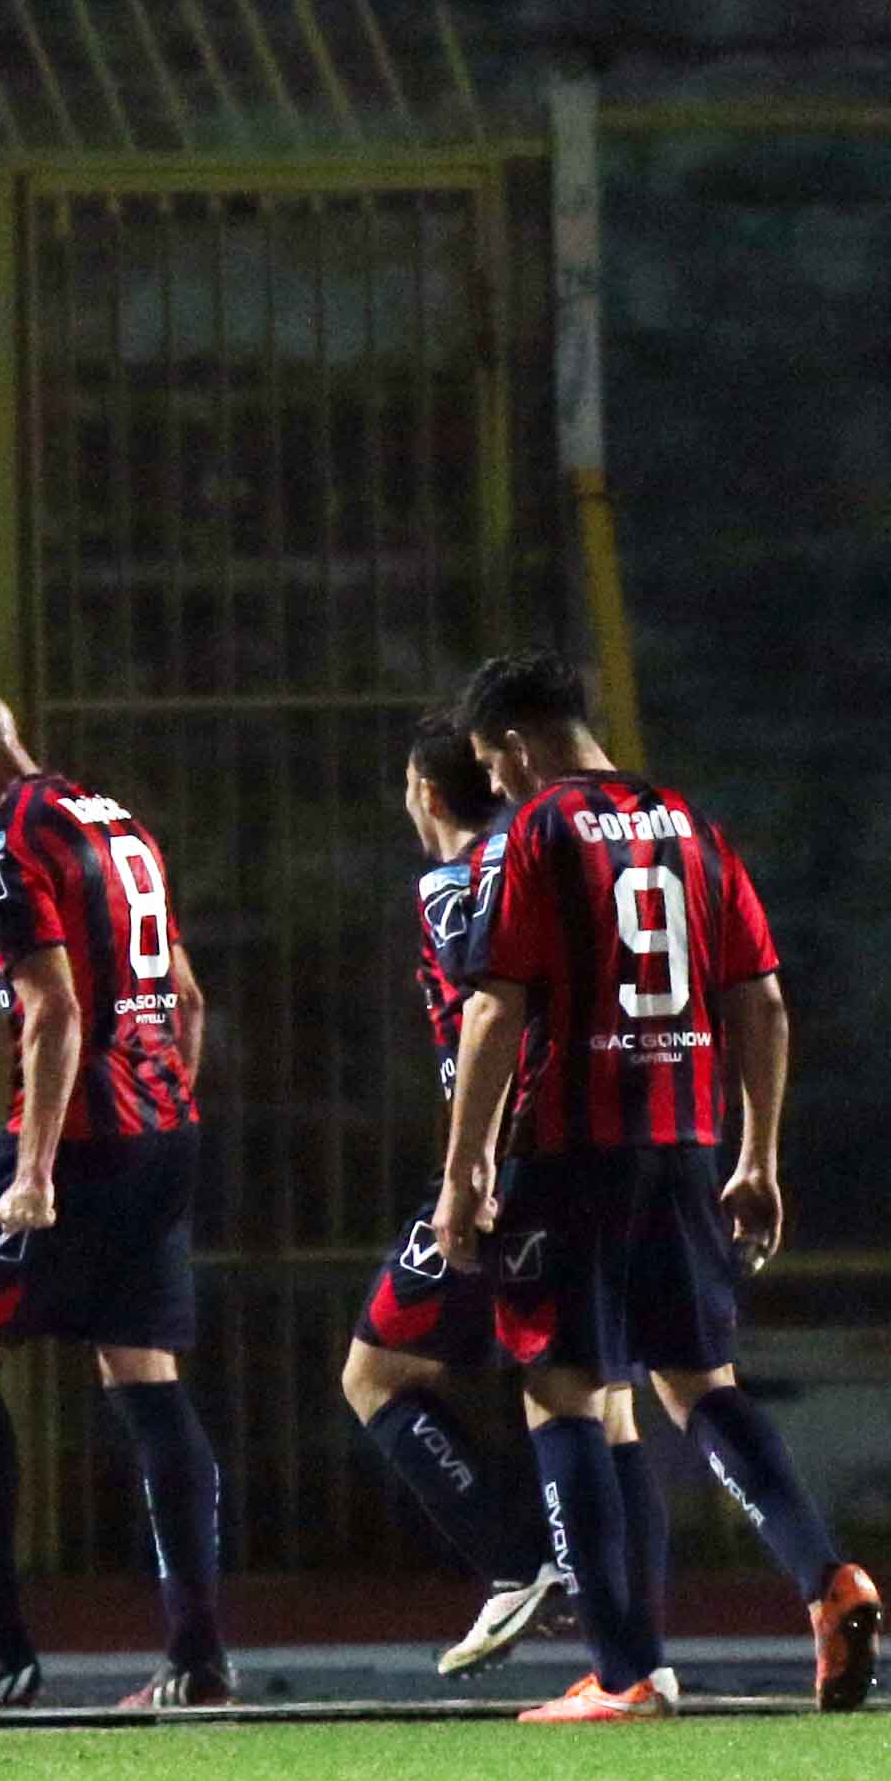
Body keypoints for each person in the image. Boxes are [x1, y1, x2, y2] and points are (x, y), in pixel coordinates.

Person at [431, 652, 883, 1721]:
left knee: (561, 1387)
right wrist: (758, 1153)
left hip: (570, 1147)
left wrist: (464, 1168)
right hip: (684, 1142)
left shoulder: (535, 832)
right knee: (696, 1379)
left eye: (492, 762)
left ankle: (625, 1670)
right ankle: (825, 1575)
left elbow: (494, 1007)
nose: (492, 782)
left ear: (516, 745)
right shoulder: (691, 824)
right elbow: (762, 998)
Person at [0, 678, 232, 1711]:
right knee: (146, 1379)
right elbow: (186, 998)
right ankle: (197, 1660)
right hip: (162, 1132)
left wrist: (35, 1171)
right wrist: (162, 1109)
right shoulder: (117, 821)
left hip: (72, 1145)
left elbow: (52, 1009)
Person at [342, 707, 574, 1677]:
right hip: (586, 1150)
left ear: (427, 793)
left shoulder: (453, 885)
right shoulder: (532, 865)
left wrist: (464, 1172)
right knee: (583, 1379)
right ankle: (609, 1606)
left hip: (500, 1169)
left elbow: (489, 1018)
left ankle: (520, 1562)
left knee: (376, 1371)